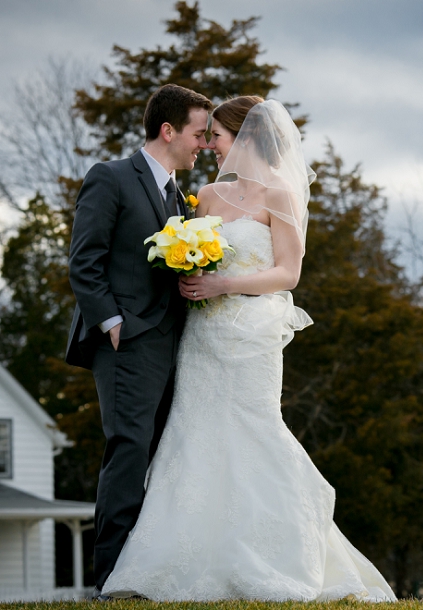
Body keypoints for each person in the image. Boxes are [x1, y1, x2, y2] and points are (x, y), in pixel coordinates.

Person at [100, 96, 397, 602]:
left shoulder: (281, 194)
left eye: (215, 136)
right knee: (192, 433)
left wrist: (225, 285)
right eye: (207, 136)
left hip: (252, 334)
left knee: (256, 428)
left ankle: (280, 554)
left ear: (246, 138)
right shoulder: (208, 196)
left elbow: (289, 272)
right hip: (204, 336)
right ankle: (177, 562)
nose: (209, 145)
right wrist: (188, 273)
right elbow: (193, 256)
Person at [65, 84, 213, 598]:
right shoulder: (110, 178)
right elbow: (84, 260)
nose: (204, 144)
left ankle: (145, 572)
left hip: (174, 345)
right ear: (168, 131)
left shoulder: (178, 195)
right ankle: (111, 580)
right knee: (128, 450)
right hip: (126, 343)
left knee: (161, 454)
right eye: (199, 134)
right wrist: (111, 322)